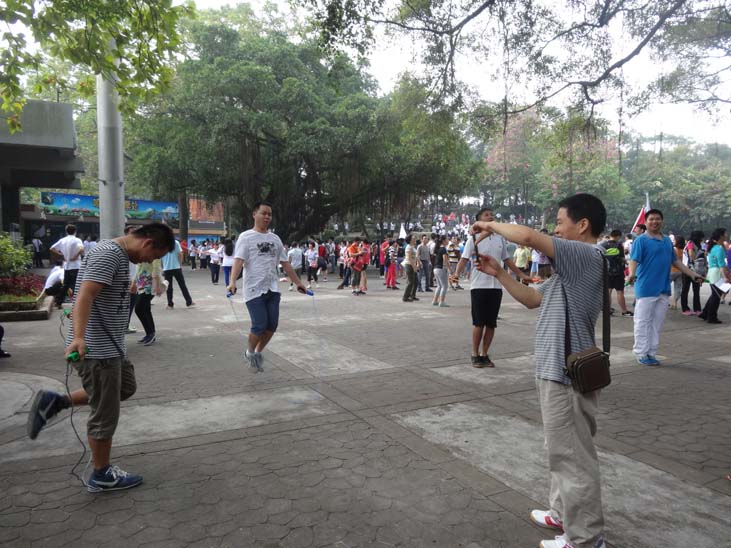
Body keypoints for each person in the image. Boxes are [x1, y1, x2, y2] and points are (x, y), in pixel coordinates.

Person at [471, 193, 609, 548]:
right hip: (555, 371)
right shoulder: (568, 272)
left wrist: (489, 224)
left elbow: (530, 237)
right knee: (561, 450)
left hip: (566, 374)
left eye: (560, 223)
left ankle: (585, 538)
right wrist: (499, 272)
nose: (556, 230)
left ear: (583, 225)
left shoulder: (586, 255)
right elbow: (532, 299)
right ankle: (562, 513)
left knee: (573, 458)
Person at [27, 223, 175, 492]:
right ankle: (101, 474)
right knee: (105, 411)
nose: (149, 261)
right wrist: (78, 337)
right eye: (154, 256)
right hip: (98, 350)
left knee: (125, 388)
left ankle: (56, 402)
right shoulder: (109, 253)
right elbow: (86, 294)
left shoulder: (117, 254)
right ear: (147, 243)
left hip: (112, 346)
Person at [226, 201, 307, 372]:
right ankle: (249, 352)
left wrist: (299, 283)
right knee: (259, 325)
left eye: (269, 214)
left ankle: (257, 352)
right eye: (263, 213)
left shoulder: (275, 239)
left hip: (272, 288)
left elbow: (285, 263)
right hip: (253, 289)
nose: (267, 217)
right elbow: (238, 261)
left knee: (272, 326)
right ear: (254, 214)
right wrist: (232, 282)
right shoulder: (246, 237)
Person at [454, 207, 529, 367]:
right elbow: (464, 259)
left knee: (491, 323)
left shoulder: (500, 238)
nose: (491, 217)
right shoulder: (473, 238)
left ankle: (485, 354)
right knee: (479, 323)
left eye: (492, 215)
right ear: (479, 220)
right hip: (478, 286)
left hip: (496, 286)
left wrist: (521, 275)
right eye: (486, 215)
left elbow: (507, 260)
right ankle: (475, 354)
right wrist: (456, 274)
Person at [628, 209, 703, 366]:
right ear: (646, 222)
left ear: (662, 221)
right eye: (651, 219)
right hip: (646, 288)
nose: (655, 221)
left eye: (658, 219)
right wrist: (632, 274)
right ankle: (641, 353)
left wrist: (692, 274)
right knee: (642, 322)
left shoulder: (667, 241)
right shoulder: (641, 240)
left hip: (663, 288)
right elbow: (633, 260)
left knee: (657, 323)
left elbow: (676, 261)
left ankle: (651, 352)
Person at [49, 224, 84, 308]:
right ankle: (77, 303)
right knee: (77, 284)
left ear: (66, 231)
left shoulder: (62, 240)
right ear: (75, 231)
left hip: (67, 266)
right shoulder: (77, 240)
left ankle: (58, 302)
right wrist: (75, 256)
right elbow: (82, 249)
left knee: (65, 285)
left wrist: (61, 255)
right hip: (76, 266)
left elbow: (52, 248)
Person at [699, 228, 729, 324]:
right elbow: (721, 265)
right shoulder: (719, 248)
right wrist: (725, 277)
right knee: (716, 297)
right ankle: (711, 317)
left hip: (712, 273)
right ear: (720, 236)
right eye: (725, 234)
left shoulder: (714, 247)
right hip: (717, 274)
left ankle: (705, 313)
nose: (726, 235)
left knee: (714, 295)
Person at [600, 229, 632, 317]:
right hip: (618, 272)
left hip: (607, 272)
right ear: (618, 236)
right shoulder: (618, 245)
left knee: (608, 291)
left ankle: (607, 310)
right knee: (619, 292)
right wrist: (627, 263)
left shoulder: (603, 245)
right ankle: (624, 311)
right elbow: (622, 258)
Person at [134, 256, 165, 345]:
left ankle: (150, 333)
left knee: (139, 309)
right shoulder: (142, 252)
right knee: (146, 309)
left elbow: (156, 269)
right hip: (141, 282)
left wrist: (157, 286)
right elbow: (138, 268)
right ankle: (150, 333)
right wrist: (134, 282)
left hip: (150, 283)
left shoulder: (155, 253)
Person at [162, 238, 195, 309]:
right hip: (176, 267)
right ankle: (189, 302)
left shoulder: (161, 243)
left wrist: (162, 267)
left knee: (169, 287)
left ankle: (170, 304)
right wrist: (180, 264)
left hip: (166, 268)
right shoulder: (175, 242)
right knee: (182, 285)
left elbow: (160, 256)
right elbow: (180, 254)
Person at [681, 231, 705, 315]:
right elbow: (690, 253)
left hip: (696, 270)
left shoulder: (698, 245)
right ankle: (685, 309)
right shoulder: (690, 243)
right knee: (685, 289)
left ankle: (697, 309)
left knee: (696, 290)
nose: (702, 239)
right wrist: (696, 261)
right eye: (701, 237)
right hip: (687, 270)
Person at [431, 235, 450, 307]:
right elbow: (445, 259)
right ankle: (441, 301)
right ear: (444, 241)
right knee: (444, 286)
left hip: (436, 268)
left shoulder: (438, 248)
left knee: (439, 286)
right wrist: (449, 268)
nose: (448, 241)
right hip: (441, 268)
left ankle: (435, 300)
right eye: (447, 239)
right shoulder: (443, 249)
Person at [401, 234, 420, 302]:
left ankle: (412, 295)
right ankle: (405, 297)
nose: (414, 239)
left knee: (415, 281)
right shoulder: (408, 247)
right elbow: (409, 258)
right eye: (413, 238)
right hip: (409, 265)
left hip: (412, 264)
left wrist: (418, 262)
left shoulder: (412, 247)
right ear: (410, 240)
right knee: (410, 282)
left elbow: (415, 256)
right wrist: (414, 266)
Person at [669, 236, 686, 310]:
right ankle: (674, 303)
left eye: (674, 240)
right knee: (678, 288)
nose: (673, 241)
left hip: (671, 271)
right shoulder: (683, 250)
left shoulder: (673, 249)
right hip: (680, 271)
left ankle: (664, 302)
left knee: (664, 285)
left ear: (677, 241)